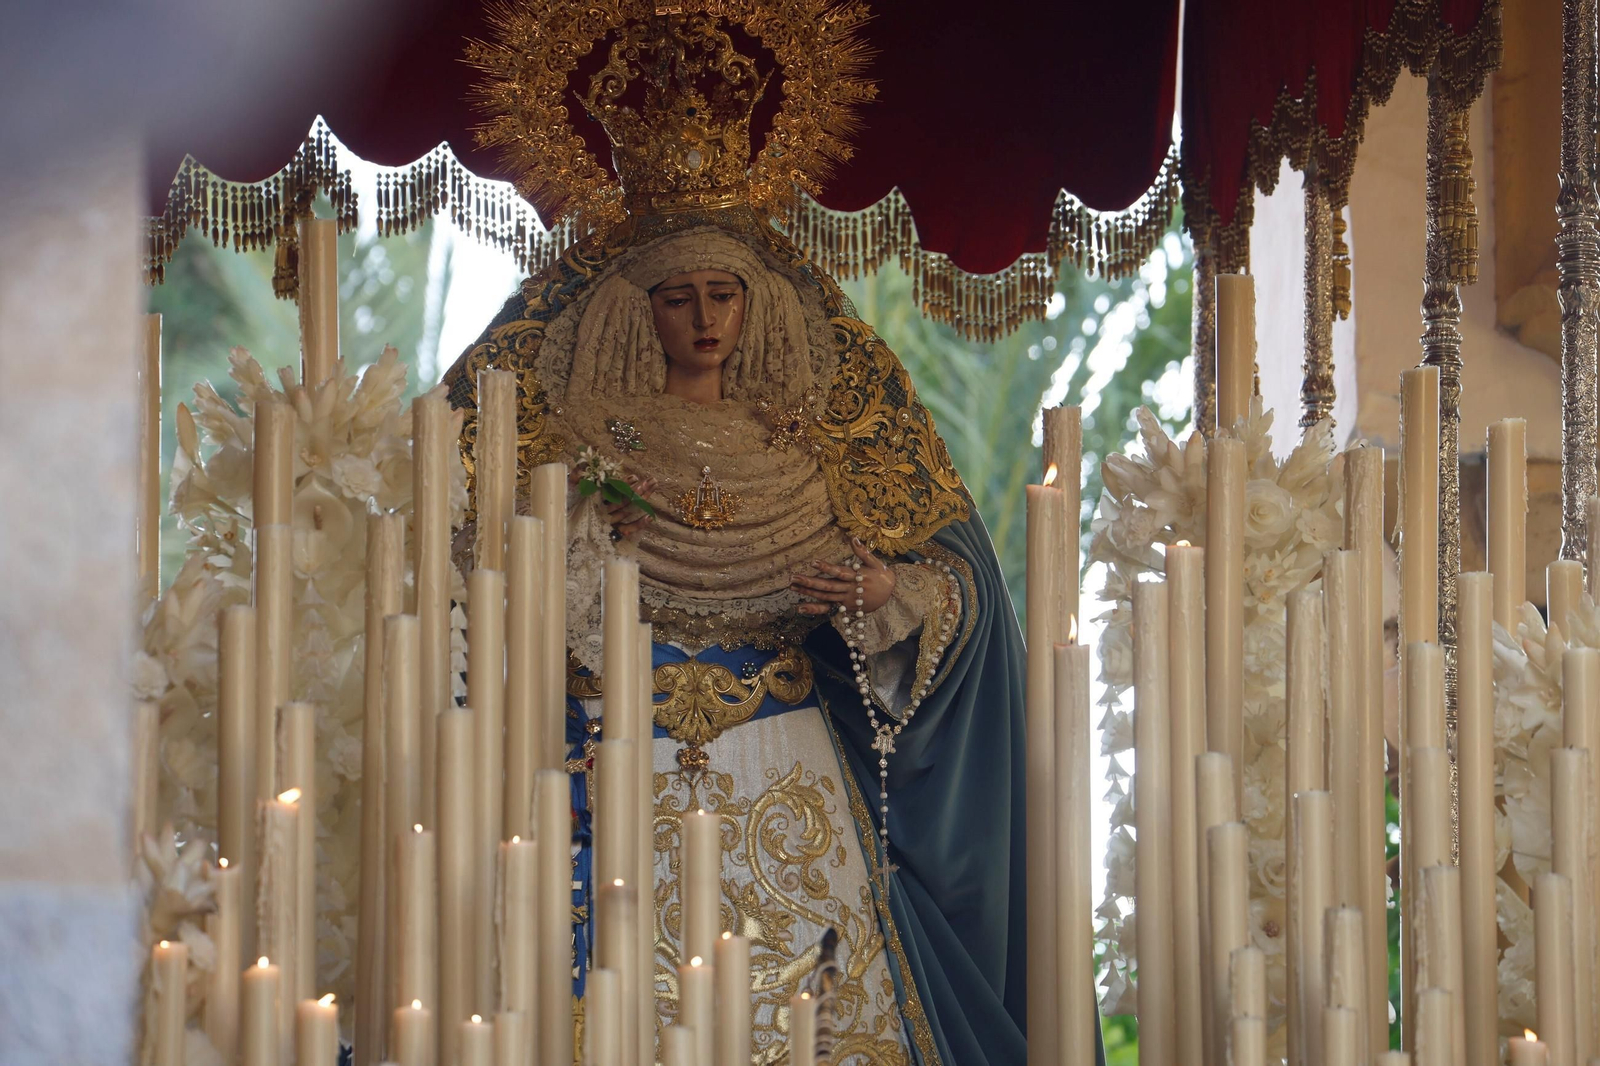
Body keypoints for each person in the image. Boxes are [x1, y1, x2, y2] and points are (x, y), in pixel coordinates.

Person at [443, 8, 1103, 1063]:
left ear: (755, 308)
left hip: (783, 763)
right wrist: (576, 534)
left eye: (723, 295)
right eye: (677, 298)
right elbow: (464, 589)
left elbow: (953, 583)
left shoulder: (819, 434)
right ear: (633, 312)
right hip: (615, 773)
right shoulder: (566, 440)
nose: (704, 319)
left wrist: (885, 590)